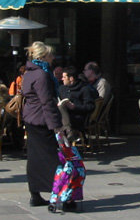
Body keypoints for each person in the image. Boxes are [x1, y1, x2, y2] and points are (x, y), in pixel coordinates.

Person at [22, 42, 67, 209]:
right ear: (42, 57)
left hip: (31, 118)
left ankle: (35, 193)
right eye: (50, 55)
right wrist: (56, 125)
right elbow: (47, 102)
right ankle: (62, 194)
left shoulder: (29, 73)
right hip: (42, 121)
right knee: (53, 159)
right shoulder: (42, 75)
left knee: (35, 158)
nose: (53, 58)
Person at [58, 66, 97, 142]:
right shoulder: (61, 88)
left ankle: (67, 134)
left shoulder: (84, 89)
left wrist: (74, 107)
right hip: (62, 116)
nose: (62, 79)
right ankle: (67, 133)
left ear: (71, 78)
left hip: (77, 117)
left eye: (64, 77)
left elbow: (90, 107)